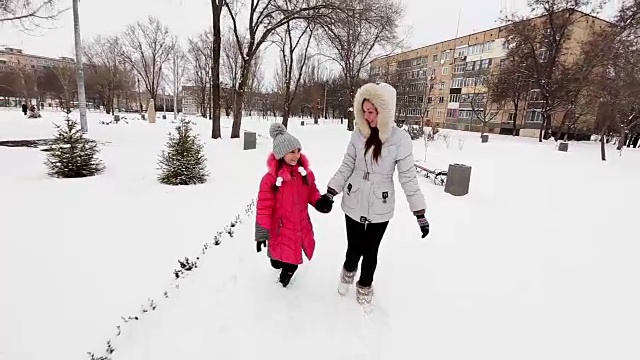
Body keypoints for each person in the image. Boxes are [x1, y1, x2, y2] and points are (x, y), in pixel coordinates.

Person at [324, 82, 430, 305]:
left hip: (380, 203)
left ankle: (365, 283)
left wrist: (419, 212)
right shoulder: (358, 134)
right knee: (354, 248)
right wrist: (331, 192)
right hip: (354, 198)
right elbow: (347, 165)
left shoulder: (400, 140)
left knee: (371, 250)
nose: (367, 116)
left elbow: (408, 177)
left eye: (371, 112)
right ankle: (348, 271)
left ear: (384, 111)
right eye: (364, 112)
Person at [255, 122, 334, 287]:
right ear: (281, 154)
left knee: (292, 263)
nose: (296, 155)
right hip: (280, 227)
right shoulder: (270, 179)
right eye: (291, 152)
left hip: (299, 225)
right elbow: (264, 207)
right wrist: (262, 232)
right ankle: (277, 264)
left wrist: (320, 203)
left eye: (298, 151)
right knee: (276, 260)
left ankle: (281, 287)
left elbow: (312, 192)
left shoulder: (305, 174)